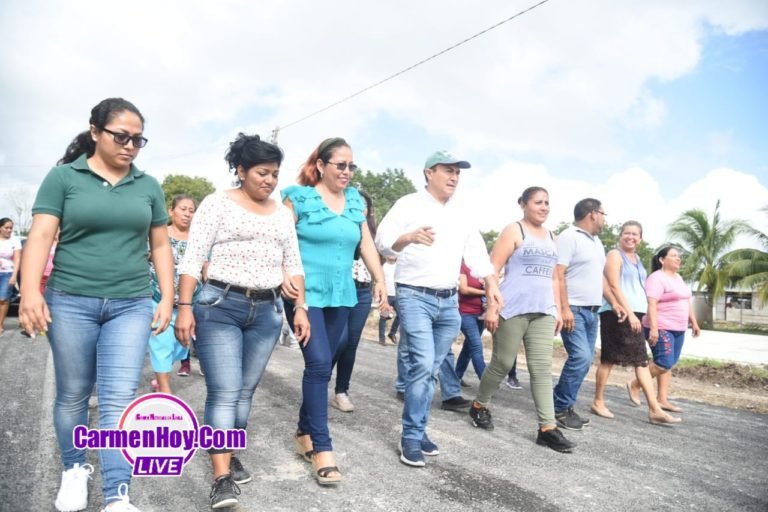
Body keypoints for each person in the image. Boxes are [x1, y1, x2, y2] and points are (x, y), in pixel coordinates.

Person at [19, 97, 174, 512]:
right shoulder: (63, 177)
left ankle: (117, 493)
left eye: (138, 140)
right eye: (121, 136)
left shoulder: (148, 185)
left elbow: (160, 244)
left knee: (118, 399)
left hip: (131, 304)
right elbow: (39, 237)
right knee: (73, 394)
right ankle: (74, 468)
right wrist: (31, 291)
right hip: (71, 301)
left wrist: (168, 296)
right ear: (95, 132)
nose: (130, 145)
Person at [175, 133, 308, 509]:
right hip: (220, 305)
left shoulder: (282, 213)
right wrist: (184, 307)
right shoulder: (217, 203)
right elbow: (192, 257)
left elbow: (294, 264)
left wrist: (300, 308)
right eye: (262, 172)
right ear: (241, 170)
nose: (269, 180)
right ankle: (220, 478)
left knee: (246, 391)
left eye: (274, 174)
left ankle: (228, 449)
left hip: (266, 311)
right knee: (225, 391)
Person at [376, 150, 502, 467]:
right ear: (429, 172)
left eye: (458, 172)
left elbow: (475, 252)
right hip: (414, 296)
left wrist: (491, 281)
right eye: (448, 170)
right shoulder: (407, 204)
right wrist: (407, 237)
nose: (454, 177)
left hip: (449, 304)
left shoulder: (461, 213)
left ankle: (417, 430)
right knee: (421, 367)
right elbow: (382, 242)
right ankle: (412, 435)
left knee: (430, 371)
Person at [282, 137, 387, 484]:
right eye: (340, 165)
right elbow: (278, 238)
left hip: (341, 294)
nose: (347, 171)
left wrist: (379, 278)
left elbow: (366, 242)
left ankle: (303, 431)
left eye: (351, 166)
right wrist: (284, 277)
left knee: (327, 361)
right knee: (318, 363)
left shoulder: (355, 200)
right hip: (303, 294)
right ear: (321, 165)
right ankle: (322, 448)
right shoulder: (298, 197)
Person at [468, 187, 575, 453]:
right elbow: (492, 269)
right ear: (523, 205)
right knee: (502, 363)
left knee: (541, 368)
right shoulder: (514, 230)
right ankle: (479, 405)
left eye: (547, 203)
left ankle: (547, 428)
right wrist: (491, 306)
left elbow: (553, 277)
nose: (544, 207)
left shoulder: (552, 236)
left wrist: (559, 309)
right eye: (538, 202)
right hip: (512, 307)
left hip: (543, 311)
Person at [591, 222, 681, 425]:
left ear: (640, 239)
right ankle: (603, 402)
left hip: (634, 313)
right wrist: (630, 314)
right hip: (619, 313)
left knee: (627, 359)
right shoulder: (615, 255)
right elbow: (613, 284)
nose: (631, 237)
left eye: (635, 234)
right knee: (620, 359)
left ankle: (652, 407)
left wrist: (642, 315)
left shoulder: (637, 259)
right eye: (627, 233)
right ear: (620, 235)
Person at [330, 190, 389, 412]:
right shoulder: (340, 226)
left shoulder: (372, 234)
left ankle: (341, 391)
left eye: (363, 204)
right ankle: (319, 378)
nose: (359, 207)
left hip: (363, 292)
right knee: (339, 340)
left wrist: (379, 285)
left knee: (351, 344)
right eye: (355, 203)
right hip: (341, 288)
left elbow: (384, 257)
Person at [552, 198, 607, 431]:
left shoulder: (597, 242)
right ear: (593, 214)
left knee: (585, 361)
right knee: (581, 357)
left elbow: (599, 279)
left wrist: (615, 303)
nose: (605, 218)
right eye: (603, 213)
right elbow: (558, 273)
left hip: (593, 312)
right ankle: (559, 408)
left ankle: (561, 403)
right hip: (573, 308)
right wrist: (564, 309)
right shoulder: (569, 237)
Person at [627, 246, 701, 413]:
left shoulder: (678, 278)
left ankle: (662, 399)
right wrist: (654, 329)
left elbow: (686, 301)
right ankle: (635, 384)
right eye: (674, 256)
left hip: (679, 327)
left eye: (679, 256)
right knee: (663, 362)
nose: (678, 259)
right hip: (661, 326)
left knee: (669, 365)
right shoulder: (656, 278)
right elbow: (651, 304)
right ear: (662, 259)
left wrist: (694, 322)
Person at [147, 194, 199, 394]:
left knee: (180, 345)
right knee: (161, 341)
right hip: (158, 298)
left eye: (191, 210)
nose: (187, 214)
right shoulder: (159, 234)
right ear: (171, 211)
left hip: (187, 303)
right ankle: (165, 390)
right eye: (183, 209)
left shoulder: (197, 238)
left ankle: (161, 375)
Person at [455, 259, 487, 385]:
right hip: (465, 313)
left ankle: (457, 376)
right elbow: (463, 289)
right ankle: (486, 382)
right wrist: (485, 291)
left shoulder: (483, 267)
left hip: (481, 314)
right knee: (476, 346)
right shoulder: (463, 266)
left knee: (469, 347)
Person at [0, 218, 22, 335]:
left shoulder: (15, 240)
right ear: (0, 228)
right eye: (6, 227)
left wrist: (14, 275)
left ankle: (0, 324)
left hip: (8, 273)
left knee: (3, 299)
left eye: (10, 228)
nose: (9, 230)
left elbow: (18, 259)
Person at [379, 256, 400, 345]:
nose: (392, 256)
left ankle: (392, 333)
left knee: (401, 315)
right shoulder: (383, 266)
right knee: (384, 317)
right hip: (386, 295)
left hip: (397, 295)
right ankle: (381, 338)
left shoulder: (398, 266)